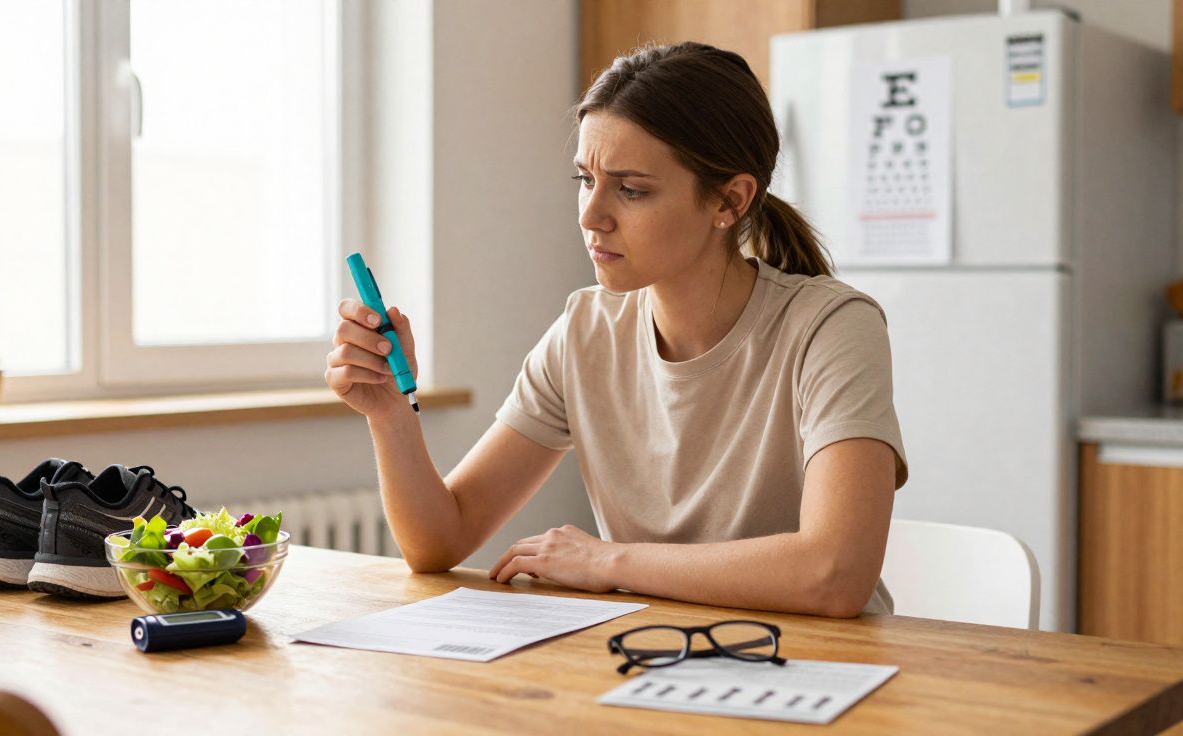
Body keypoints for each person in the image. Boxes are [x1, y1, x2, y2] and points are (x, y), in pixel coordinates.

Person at [324, 41, 908, 618]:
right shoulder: (585, 332)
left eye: (631, 190)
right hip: (654, 652)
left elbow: (835, 574)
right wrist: (390, 416)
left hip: (822, 663)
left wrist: (610, 562)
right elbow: (438, 541)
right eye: (585, 179)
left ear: (729, 201)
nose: (590, 215)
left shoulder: (830, 327)